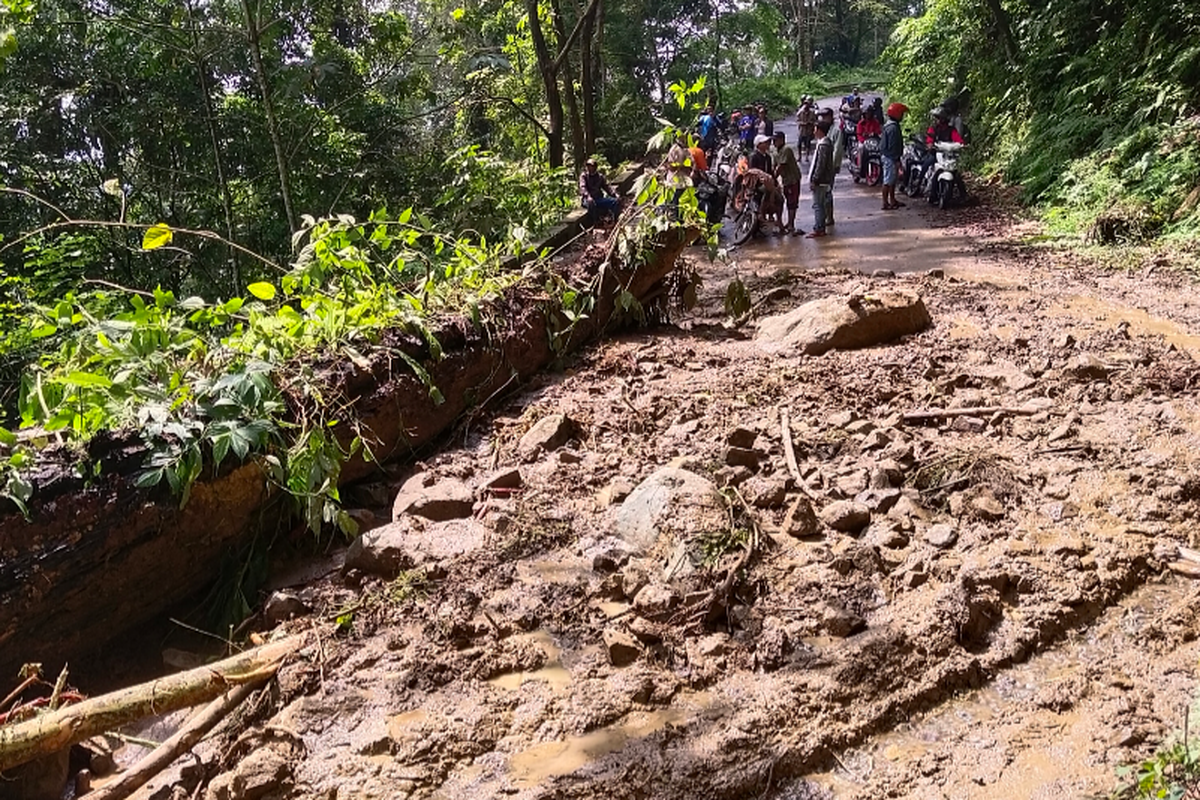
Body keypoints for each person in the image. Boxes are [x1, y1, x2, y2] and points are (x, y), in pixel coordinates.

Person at [924, 107, 966, 201]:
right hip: (936, 153)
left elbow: (958, 139)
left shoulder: (951, 130)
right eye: (938, 118)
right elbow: (929, 139)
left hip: (948, 155)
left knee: (956, 174)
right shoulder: (933, 129)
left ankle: (963, 195)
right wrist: (930, 144)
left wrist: (962, 144)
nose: (939, 120)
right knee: (926, 165)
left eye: (941, 118)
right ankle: (925, 188)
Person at [806, 120, 835, 238]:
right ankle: (820, 226)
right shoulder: (824, 143)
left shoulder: (823, 145)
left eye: (815, 129)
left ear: (819, 130)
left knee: (818, 205)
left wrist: (815, 179)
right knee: (821, 204)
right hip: (824, 179)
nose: (813, 131)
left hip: (821, 180)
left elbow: (820, 165)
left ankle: (819, 228)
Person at [817, 107, 845, 227]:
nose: (823, 119)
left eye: (825, 117)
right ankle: (824, 216)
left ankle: (829, 217)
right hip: (822, 165)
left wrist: (834, 165)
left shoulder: (836, 131)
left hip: (829, 166)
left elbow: (838, 149)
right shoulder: (823, 129)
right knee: (822, 192)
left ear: (830, 117)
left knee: (827, 191)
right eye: (821, 117)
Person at [772, 131, 804, 235]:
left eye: (776, 140)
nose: (774, 142)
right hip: (785, 180)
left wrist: (773, 178)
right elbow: (774, 166)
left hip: (792, 179)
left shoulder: (786, 149)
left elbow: (782, 166)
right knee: (786, 200)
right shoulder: (775, 151)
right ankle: (787, 223)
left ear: (781, 140)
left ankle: (791, 224)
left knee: (792, 202)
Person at [880, 102, 907, 210]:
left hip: (889, 156)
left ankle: (892, 200)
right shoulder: (893, 128)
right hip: (890, 157)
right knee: (888, 180)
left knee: (892, 180)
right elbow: (892, 145)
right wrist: (896, 159)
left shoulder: (890, 125)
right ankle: (885, 203)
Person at [579, 158, 618, 223]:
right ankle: (595, 221)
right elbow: (583, 187)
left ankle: (614, 219)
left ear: (595, 167)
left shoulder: (600, 177)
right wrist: (588, 196)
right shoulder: (584, 176)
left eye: (591, 166)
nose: (589, 168)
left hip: (598, 198)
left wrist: (614, 194)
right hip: (588, 200)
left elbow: (607, 187)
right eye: (588, 166)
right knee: (591, 204)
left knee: (614, 201)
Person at [796, 95, 817, 160]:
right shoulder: (800, 112)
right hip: (802, 130)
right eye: (805, 104)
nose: (806, 105)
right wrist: (802, 123)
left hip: (808, 130)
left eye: (807, 104)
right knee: (799, 144)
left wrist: (810, 123)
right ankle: (799, 156)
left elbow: (815, 121)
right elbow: (797, 120)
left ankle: (807, 157)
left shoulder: (812, 112)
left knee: (808, 144)